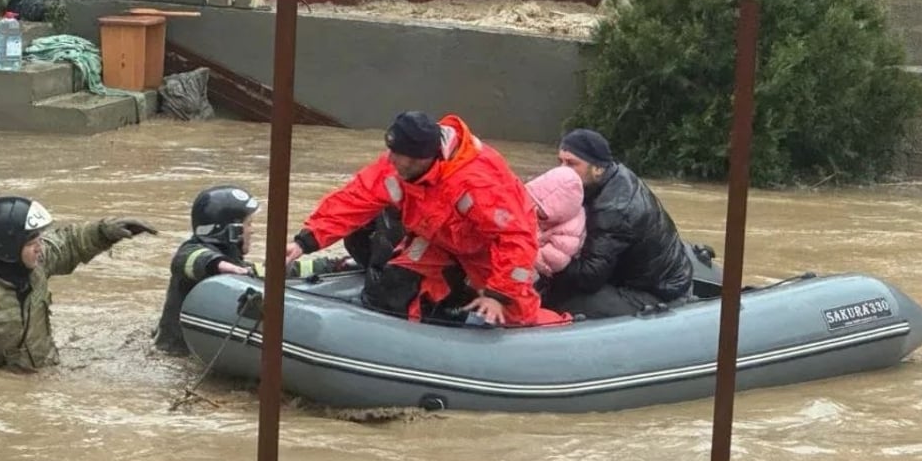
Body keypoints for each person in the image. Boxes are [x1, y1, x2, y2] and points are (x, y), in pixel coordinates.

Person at [284, 111, 567, 327]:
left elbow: (515, 237)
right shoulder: (399, 165)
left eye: (398, 155)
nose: (390, 159)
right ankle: (424, 333)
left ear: (422, 157)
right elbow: (356, 198)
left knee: (516, 317)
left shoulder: (478, 182)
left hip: (487, 253)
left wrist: (499, 294)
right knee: (395, 282)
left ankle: (563, 325)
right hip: (437, 241)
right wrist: (305, 241)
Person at [0, 196, 158, 371]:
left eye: (39, 239)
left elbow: (69, 243)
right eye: (32, 242)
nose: (40, 247)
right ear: (9, 249)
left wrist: (105, 232)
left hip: (45, 372)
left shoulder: (35, 265)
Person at [153, 185, 358, 356]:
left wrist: (335, 265)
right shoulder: (195, 252)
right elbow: (187, 259)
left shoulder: (238, 267)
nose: (252, 230)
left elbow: (274, 271)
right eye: (248, 224)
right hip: (176, 354)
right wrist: (218, 264)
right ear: (231, 231)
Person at [540, 129, 694, 318]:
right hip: (628, 273)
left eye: (571, 164)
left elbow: (591, 275)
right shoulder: (602, 180)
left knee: (556, 300)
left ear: (598, 168)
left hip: (657, 293)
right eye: (560, 162)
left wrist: (543, 261)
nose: (562, 171)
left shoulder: (615, 208)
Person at [524, 166, 586, 279]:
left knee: (517, 277)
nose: (536, 208)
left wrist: (525, 248)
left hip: (536, 267)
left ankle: (508, 292)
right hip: (523, 249)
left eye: (542, 208)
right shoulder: (533, 205)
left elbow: (556, 260)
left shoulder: (571, 230)